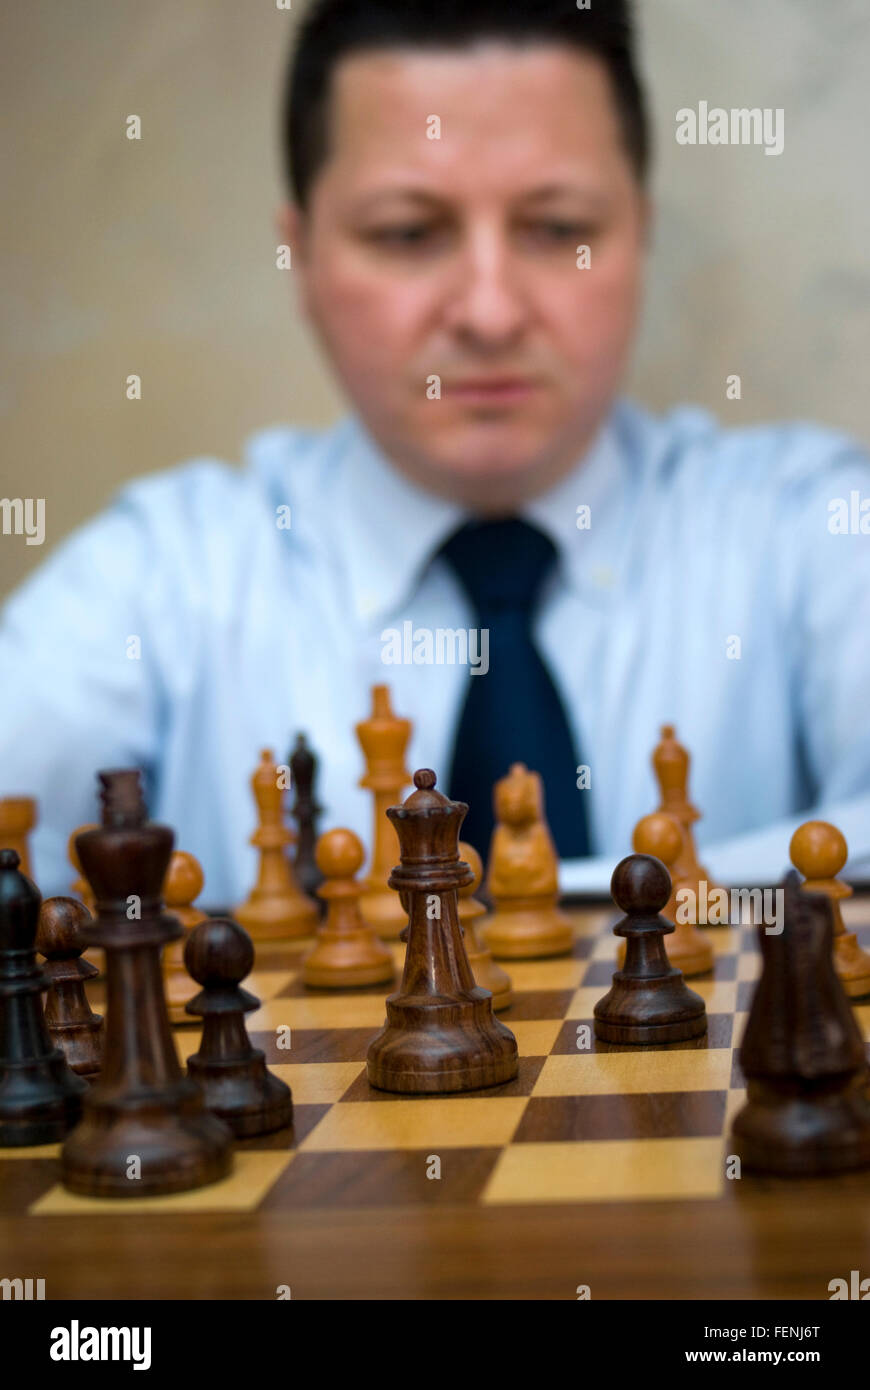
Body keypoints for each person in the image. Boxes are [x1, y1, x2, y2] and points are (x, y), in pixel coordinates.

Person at [1, 0, 868, 903]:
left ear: (640, 233)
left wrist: (569, 904)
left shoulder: (810, 525)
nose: (490, 313)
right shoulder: (161, 574)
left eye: (558, 227)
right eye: (409, 234)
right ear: (299, 257)